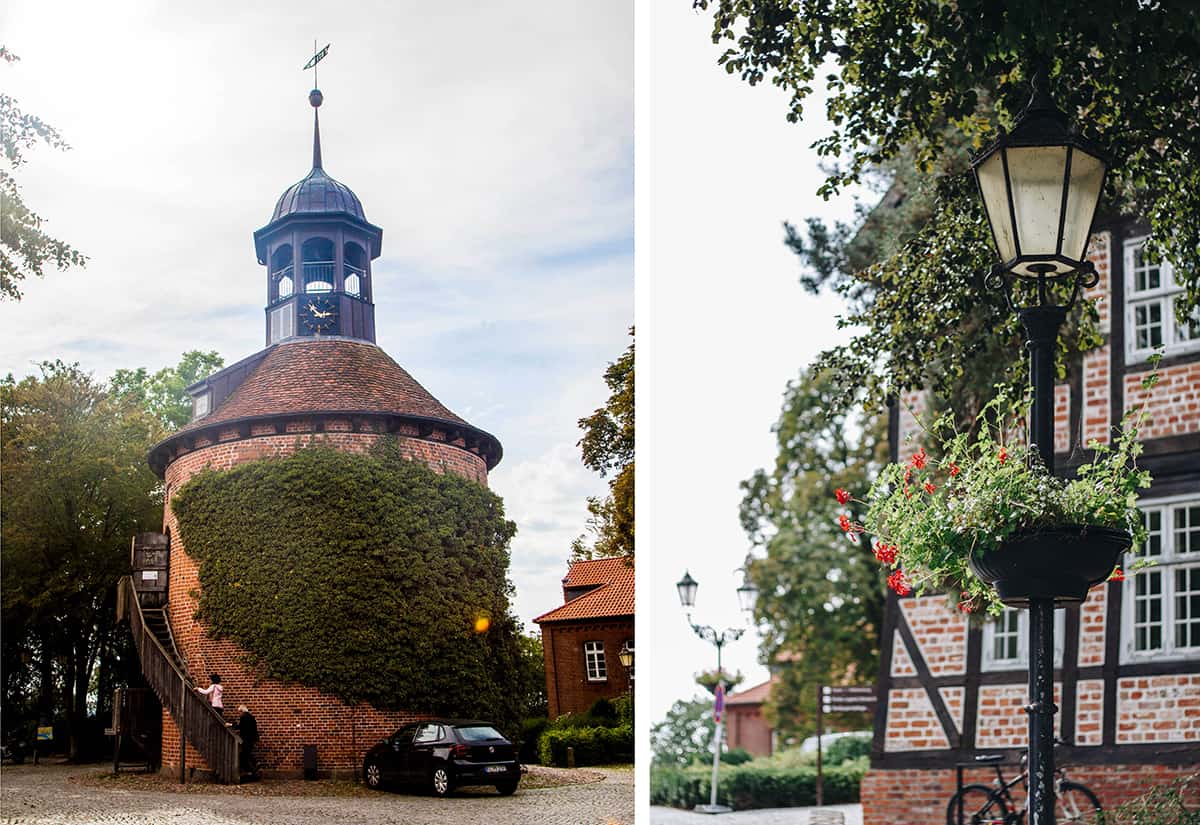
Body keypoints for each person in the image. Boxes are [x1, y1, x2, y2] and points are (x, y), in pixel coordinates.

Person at [233, 704, 259, 778]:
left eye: (239, 712)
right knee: (246, 754)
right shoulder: (251, 717)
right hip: (252, 738)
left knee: (243, 755)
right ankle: (253, 767)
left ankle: (250, 769)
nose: (239, 714)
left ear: (242, 711)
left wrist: (231, 725)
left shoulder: (243, 717)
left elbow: (241, 727)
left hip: (247, 738)